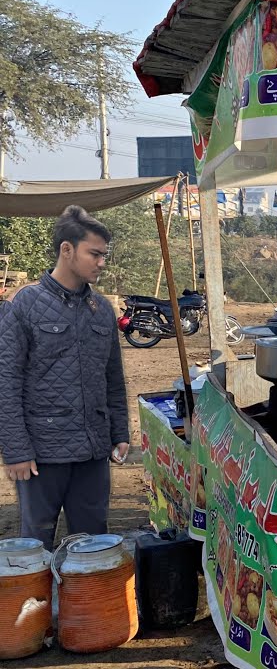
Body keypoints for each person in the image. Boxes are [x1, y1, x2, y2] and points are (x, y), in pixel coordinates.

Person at [0, 206, 129, 549]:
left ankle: (89, 604)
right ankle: (36, 604)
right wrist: (15, 450)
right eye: (95, 254)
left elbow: (112, 379)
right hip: (42, 454)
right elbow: (6, 382)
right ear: (67, 250)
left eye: (105, 255)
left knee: (94, 543)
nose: (102, 262)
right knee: (36, 544)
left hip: (92, 452)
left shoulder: (101, 310)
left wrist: (119, 432)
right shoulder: (23, 305)